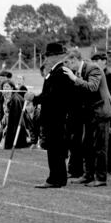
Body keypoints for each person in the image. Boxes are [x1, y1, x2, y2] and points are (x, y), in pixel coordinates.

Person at [63, 50, 111, 187]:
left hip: (101, 112)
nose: (67, 66)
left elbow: (92, 87)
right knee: (86, 144)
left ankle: (101, 178)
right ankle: (88, 174)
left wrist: (74, 79)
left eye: (67, 62)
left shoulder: (93, 68)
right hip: (89, 114)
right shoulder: (78, 72)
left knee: (100, 146)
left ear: (74, 59)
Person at [32, 43, 74, 188]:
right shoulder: (54, 71)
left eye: (48, 56)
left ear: (56, 56)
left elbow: (52, 96)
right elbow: (48, 94)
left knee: (56, 149)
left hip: (57, 117)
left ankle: (55, 178)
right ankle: (57, 177)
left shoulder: (60, 72)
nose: (46, 59)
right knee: (54, 148)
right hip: (53, 116)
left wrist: (34, 99)